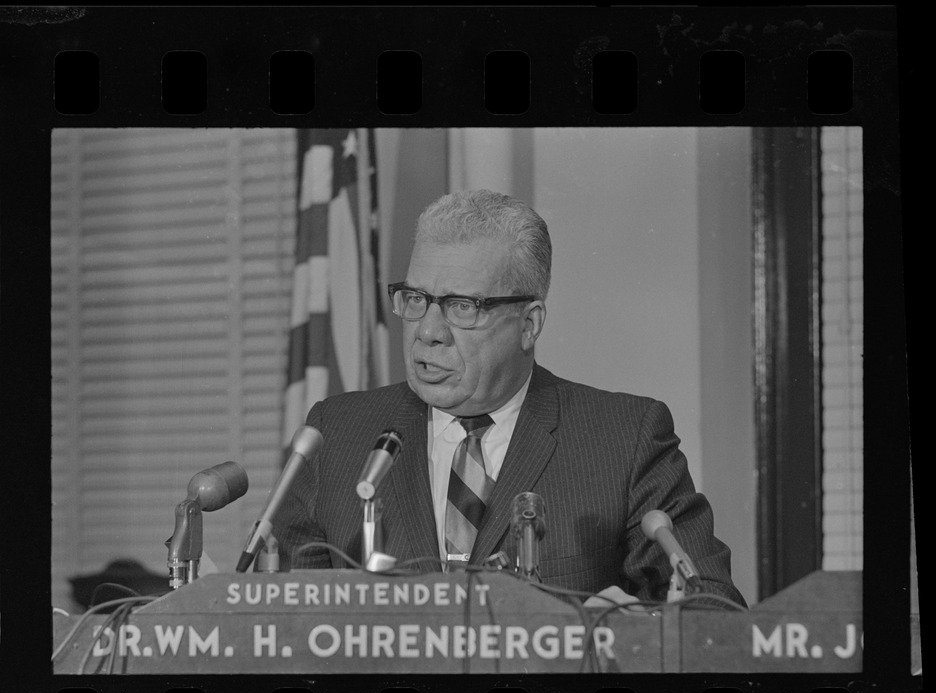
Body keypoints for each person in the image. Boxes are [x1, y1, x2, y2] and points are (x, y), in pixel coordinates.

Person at [273, 189, 746, 607]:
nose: (429, 332)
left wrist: (614, 631)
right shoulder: (336, 434)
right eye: (415, 298)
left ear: (529, 324)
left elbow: (713, 609)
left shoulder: (625, 438)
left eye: (462, 307)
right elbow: (272, 616)